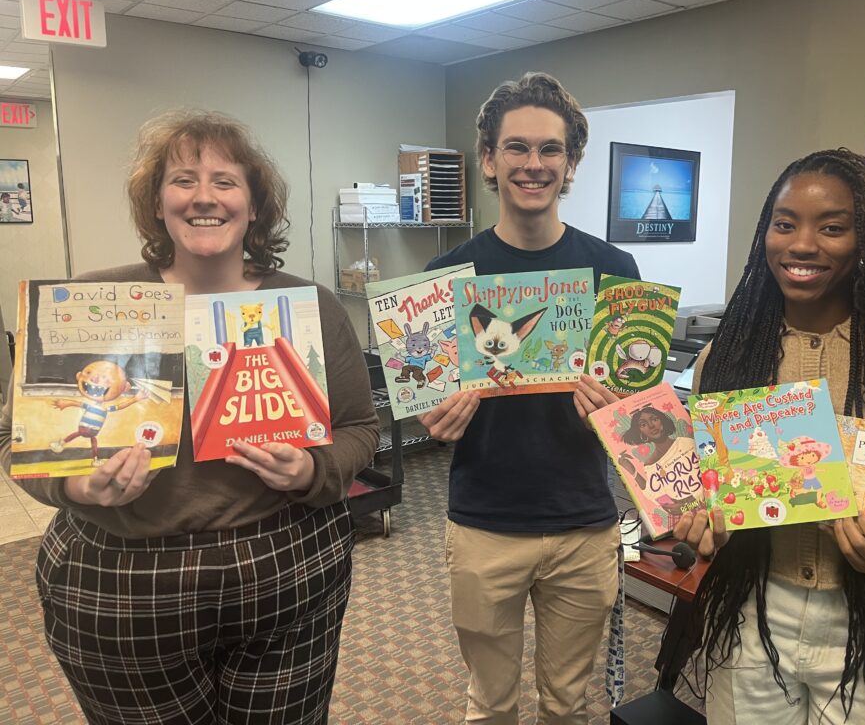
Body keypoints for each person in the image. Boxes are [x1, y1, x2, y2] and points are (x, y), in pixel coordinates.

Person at [0, 110, 380, 725]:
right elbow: (15, 437)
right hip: (124, 579)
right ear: (157, 203)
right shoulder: (95, 301)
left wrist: (314, 469)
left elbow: (360, 428)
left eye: (225, 181)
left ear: (254, 206)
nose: (205, 197)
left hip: (286, 563)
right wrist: (74, 486)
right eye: (183, 180)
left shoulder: (308, 307)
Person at [673, 149, 865, 724]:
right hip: (751, 614)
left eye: (832, 228)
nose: (801, 244)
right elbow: (708, 489)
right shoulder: (726, 358)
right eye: (784, 223)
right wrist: (699, 517)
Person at [417, 72, 640, 724]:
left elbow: (641, 412)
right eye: (516, 147)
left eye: (550, 149)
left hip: (583, 521)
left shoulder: (615, 269)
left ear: (571, 162)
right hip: (484, 523)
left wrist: (618, 410)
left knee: (568, 704)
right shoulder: (444, 277)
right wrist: (437, 417)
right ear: (489, 160)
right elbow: (427, 405)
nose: (533, 163)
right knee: (490, 704)